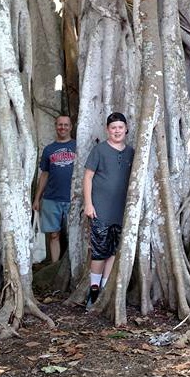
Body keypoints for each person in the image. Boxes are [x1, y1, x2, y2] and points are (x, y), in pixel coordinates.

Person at [82, 112, 134, 305]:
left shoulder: (131, 152)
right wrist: (88, 204)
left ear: (126, 129)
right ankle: (93, 289)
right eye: (113, 128)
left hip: (121, 211)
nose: (117, 131)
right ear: (107, 130)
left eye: (120, 127)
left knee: (113, 251)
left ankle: (105, 288)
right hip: (100, 209)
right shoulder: (100, 150)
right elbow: (87, 176)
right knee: (99, 250)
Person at [32, 115, 76, 263]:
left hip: (73, 198)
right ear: (55, 126)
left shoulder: (78, 146)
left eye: (66, 125)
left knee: (75, 234)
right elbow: (44, 174)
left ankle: (73, 266)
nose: (62, 127)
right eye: (60, 125)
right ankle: (55, 265)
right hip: (51, 198)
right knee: (54, 235)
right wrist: (37, 198)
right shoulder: (49, 150)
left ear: (71, 127)